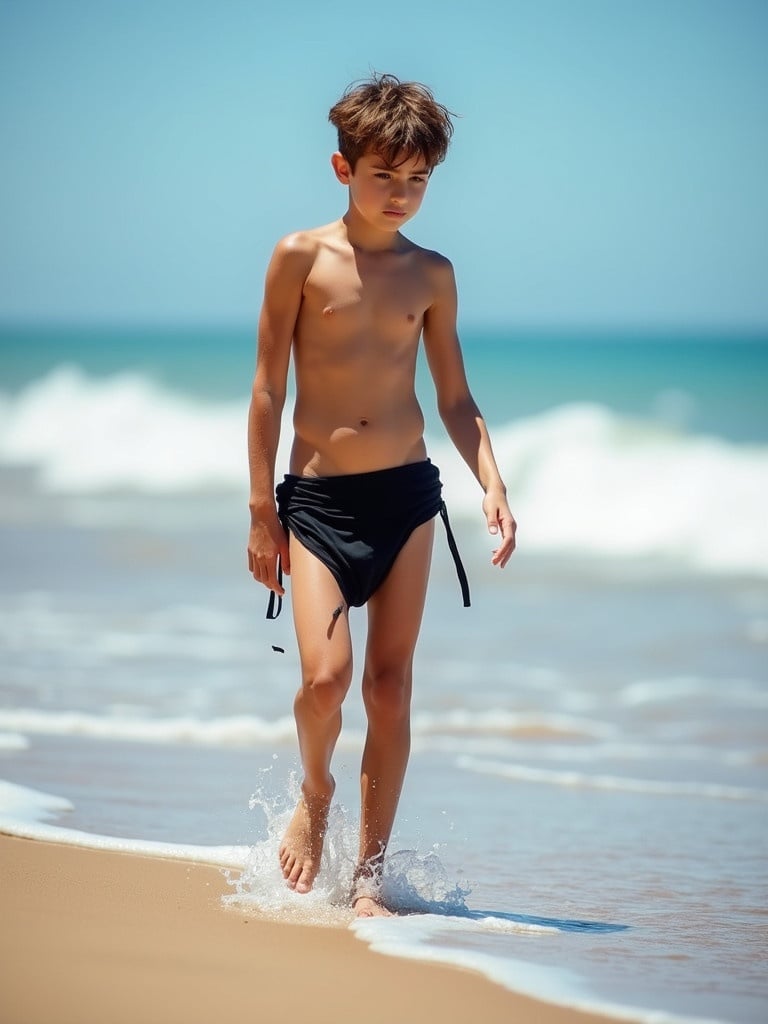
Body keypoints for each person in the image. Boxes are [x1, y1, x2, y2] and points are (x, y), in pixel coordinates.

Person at [247, 73, 516, 918]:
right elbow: (266, 393)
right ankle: (316, 792)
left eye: (418, 180)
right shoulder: (299, 257)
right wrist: (261, 512)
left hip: (406, 499)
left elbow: (455, 398)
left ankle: (369, 878)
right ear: (342, 168)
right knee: (326, 682)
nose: (401, 194)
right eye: (383, 175)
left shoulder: (432, 274)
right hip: (318, 506)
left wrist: (493, 480)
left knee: (390, 687)